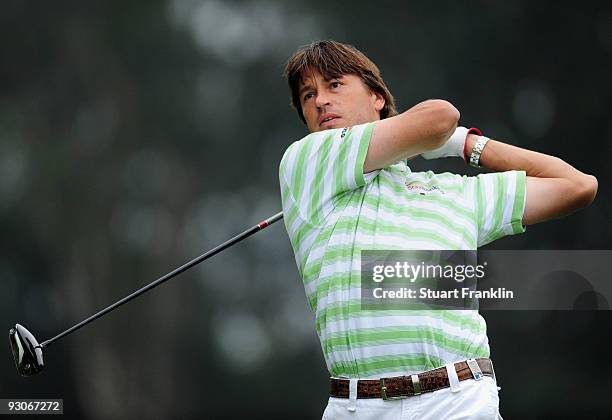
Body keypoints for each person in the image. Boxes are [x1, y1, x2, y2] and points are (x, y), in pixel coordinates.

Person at [278, 40, 597, 419]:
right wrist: (431, 135)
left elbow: (577, 186)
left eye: (335, 85)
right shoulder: (307, 162)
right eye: (308, 94)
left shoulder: (451, 193)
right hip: (355, 407)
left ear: (377, 98)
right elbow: (437, 118)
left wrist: (465, 144)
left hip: (457, 400)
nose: (320, 101)